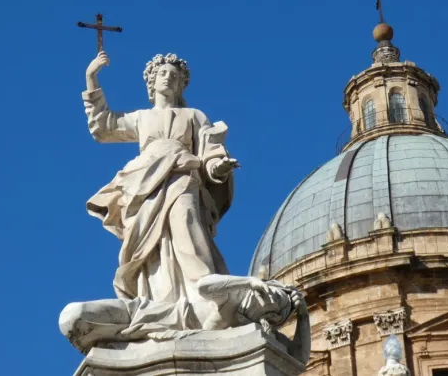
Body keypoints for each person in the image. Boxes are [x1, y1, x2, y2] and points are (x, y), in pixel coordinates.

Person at [82, 51, 238, 303]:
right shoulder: (142, 117)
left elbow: (209, 150)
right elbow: (103, 126)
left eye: (174, 75)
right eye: (162, 73)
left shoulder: (194, 116)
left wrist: (216, 168)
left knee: (186, 223)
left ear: (181, 84)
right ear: (152, 81)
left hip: (182, 177)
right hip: (143, 183)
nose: (168, 78)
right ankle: (158, 293)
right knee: (147, 241)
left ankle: (202, 284)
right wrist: (92, 78)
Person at [58, 274, 311, 365]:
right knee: (74, 315)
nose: (267, 299)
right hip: (143, 311)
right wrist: (248, 281)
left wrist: (303, 317)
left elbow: (298, 359)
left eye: (273, 304)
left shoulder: (250, 331)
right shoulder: (231, 296)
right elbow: (204, 285)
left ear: (270, 316)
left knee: (84, 331)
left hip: (148, 330)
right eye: (269, 294)